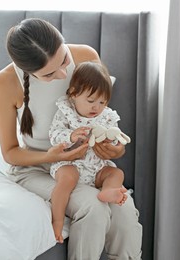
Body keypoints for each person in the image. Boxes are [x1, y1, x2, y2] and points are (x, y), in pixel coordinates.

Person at [0, 17, 142, 260]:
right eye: (50, 74)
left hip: (87, 166)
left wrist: (114, 151)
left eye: (64, 60)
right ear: (28, 70)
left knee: (124, 209)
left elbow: (100, 121)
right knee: (93, 207)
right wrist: (50, 156)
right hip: (38, 168)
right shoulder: (6, 82)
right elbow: (10, 152)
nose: (63, 74)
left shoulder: (86, 55)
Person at [49, 61, 128, 243]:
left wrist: (111, 143)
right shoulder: (66, 112)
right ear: (74, 93)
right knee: (67, 178)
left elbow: (116, 136)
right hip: (70, 163)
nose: (96, 107)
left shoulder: (106, 115)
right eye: (91, 101)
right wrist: (70, 136)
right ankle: (57, 220)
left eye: (102, 102)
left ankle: (108, 191)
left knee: (116, 173)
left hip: (97, 167)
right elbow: (54, 135)